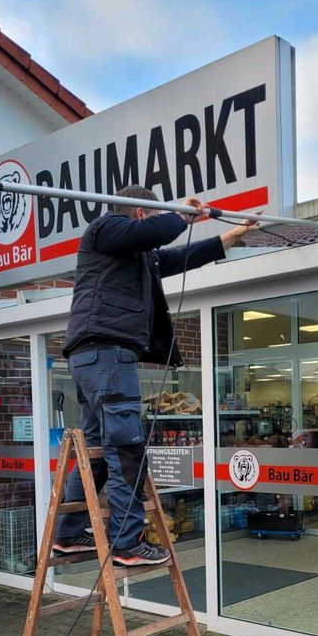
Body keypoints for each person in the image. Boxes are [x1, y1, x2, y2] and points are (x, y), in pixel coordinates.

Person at [53, 185, 257, 566]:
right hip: (108, 355)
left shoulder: (132, 255)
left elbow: (180, 256)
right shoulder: (104, 230)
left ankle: (67, 534)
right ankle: (128, 545)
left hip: (93, 358)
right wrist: (180, 216)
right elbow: (155, 234)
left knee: (97, 452)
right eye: (154, 215)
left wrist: (231, 235)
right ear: (142, 212)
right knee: (126, 451)